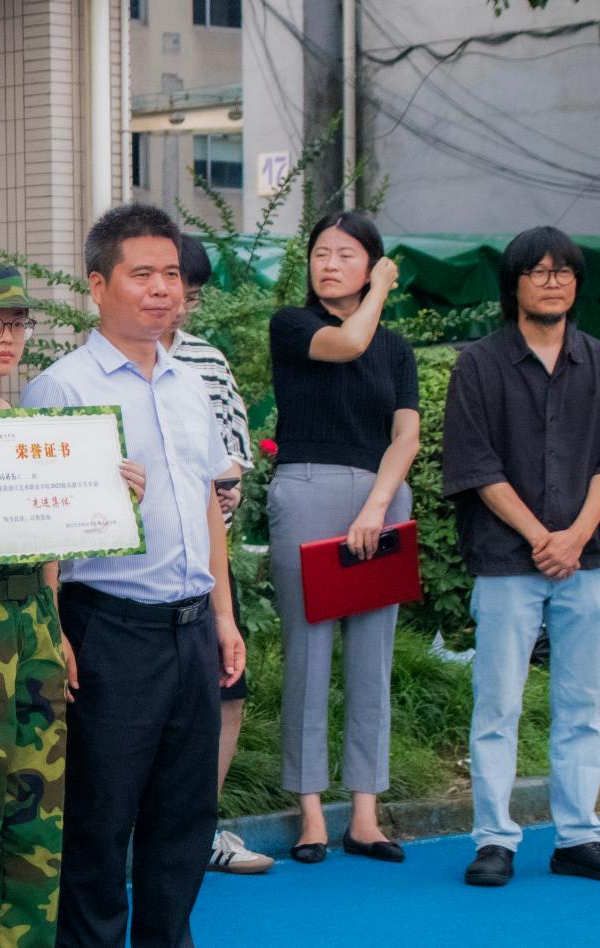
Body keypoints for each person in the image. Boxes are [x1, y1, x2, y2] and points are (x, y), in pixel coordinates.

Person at [0, 258, 145, 947]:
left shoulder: (35, 429)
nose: (7, 337)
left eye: (17, 323)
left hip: (32, 633)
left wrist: (114, 500)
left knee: (33, 833)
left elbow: (50, 545)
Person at [22, 204, 242, 948]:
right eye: (142, 274)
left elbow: (208, 503)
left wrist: (224, 617)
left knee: (184, 821)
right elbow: (39, 525)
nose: (162, 290)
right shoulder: (62, 387)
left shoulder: (189, 384)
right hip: (109, 629)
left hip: (191, 629)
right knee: (99, 823)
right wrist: (52, 627)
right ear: (97, 285)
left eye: (171, 275)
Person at [444, 226, 600, 887]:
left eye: (563, 271)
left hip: (589, 558)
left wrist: (575, 536)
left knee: (582, 703)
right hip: (507, 560)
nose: (552, 281)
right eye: (537, 271)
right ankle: (493, 839)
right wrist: (543, 537)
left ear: (576, 282)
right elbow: (476, 463)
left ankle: (578, 836)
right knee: (498, 705)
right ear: (513, 284)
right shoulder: (478, 365)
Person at [266, 211, 420, 866]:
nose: (330, 264)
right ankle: (309, 814)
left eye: (347, 254)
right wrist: (380, 286)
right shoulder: (293, 324)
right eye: (321, 253)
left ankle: (364, 813)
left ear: (371, 261)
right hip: (306, 489)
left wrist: (378, 506)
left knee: (371, 656)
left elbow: (406, 436)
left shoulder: (398, 348)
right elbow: (351, 343)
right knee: (308, 652)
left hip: (380, 497)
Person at [164, 236, 270, 876]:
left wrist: (226, 483)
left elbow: (235, 448)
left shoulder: (206, 359)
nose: (178, 303)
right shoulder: (85, 371)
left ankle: (197, 829)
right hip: (136, 565)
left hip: (208, 555)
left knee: (228, 690)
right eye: (167, 283)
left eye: (192, 294)